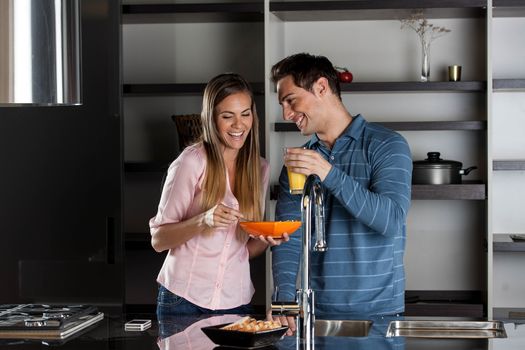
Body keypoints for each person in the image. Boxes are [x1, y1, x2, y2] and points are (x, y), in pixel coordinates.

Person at [269, 53, 412, 332]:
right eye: (283, 105)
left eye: (291, 100)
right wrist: (285, 300)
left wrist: (328, 174)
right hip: (314, 315)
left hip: (380, 315)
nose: (286, 114)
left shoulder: (387, 145)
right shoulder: (300, 161)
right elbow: (288, 234)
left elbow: (391, 220)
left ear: (321, 88)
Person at [150, 73, 282, 317]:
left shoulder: (259, 169)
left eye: (245, 114)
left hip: (236, 301)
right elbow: (159, 239)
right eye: (227, 116)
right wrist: (203, 220)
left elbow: (243, 250)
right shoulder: (191, 162)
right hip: (183, 301)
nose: (239, 125)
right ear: (211, 119)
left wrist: (265, 239)